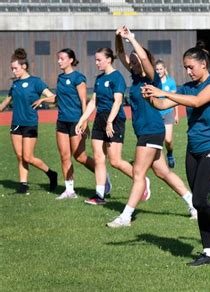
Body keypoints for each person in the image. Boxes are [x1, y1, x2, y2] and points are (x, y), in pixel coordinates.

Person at [142, 42, 210, 266]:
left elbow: (197, 101)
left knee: (199, 199)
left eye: (190, 67)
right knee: (200, 203)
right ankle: (208, 252)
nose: (187, 71)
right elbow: (161, 105)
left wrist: (164, 92)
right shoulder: (187, 87)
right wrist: (150, 96)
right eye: (185, 67)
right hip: (193, 148)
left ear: (203, 64)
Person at [106, 26, 197, 228]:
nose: (132, 60)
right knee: (163, 173)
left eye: (136, 58)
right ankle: (194, 205)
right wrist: (118, 37)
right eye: (132, 59)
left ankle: (126, 217)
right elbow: (120, 53)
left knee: (139, 174)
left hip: (151, 130)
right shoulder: (136, 78)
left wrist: (131, 38)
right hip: (146, 131)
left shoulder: (150, 77)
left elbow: (146, 60)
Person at [75, 47, 149, 205]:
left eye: (99, 60)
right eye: (95, 60)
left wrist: (110, 122)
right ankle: (100, 196)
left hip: (114, 120)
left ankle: (142, 180)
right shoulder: (99, 79)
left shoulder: (117, 77)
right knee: (98, 158)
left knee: (115, 161)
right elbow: (94, 101)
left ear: (109, 59)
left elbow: (118, 101)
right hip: (99, 119)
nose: (96, 63)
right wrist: (82, 119)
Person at [40, 48, 108, 199]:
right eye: (58, 58)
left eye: (62, 58)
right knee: (64, 156)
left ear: (71, 60)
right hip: (62, 122)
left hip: (76, 121)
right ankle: (69, 190)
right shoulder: (60, 78)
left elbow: (84, 100)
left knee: (80, 157)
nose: (59, 61)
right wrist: (43, 99)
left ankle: (103, 177)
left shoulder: (78, 77)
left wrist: (84, 121)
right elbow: (58, 98)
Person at [0, 48, 58, 195]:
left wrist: (42, 99)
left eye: (16, 68)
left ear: (24, 66)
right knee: (20, 156)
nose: (13, 71)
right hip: (16, 124)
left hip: (30, 123)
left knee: (28, 156)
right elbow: (5, 102)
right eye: (12, 69)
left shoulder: (35, 82)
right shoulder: (15, 85)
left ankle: (51, 173)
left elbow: (53, 97)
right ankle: (23, 185)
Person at [155, 59, 179, 168]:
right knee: (157, 139)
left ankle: (170, 154)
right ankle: (157, 161)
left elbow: (175, 99)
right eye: (157, 69)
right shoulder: (154, 82)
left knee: (168, 140)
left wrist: (176, 114)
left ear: (165, 70)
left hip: (168, 113)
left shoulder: (170, 82)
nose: (159, 71)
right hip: (156, 114)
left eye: (160, 69)